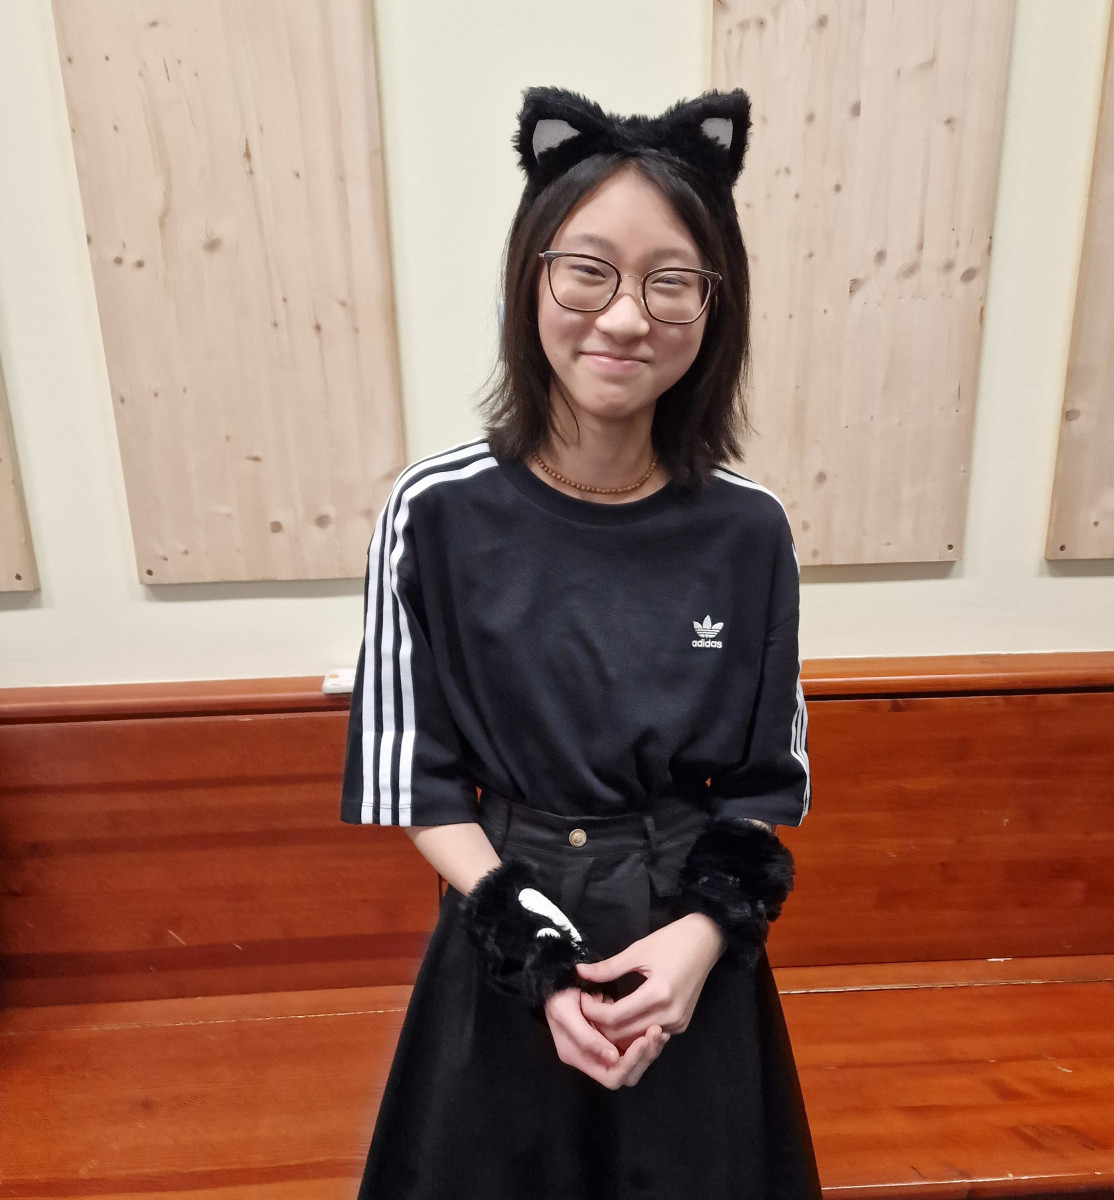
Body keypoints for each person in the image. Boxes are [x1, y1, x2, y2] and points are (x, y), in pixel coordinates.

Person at [340, 85, 821, 1200]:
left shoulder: (750, 528)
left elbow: (761, 783)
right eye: (588, 271)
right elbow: (422, 785)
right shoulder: (434, 512)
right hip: (504, 936)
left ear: (715, 304)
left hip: (688, 954)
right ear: (533, 277)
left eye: (671, 280)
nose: (626, 317)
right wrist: (539, 957)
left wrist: (702, 941)